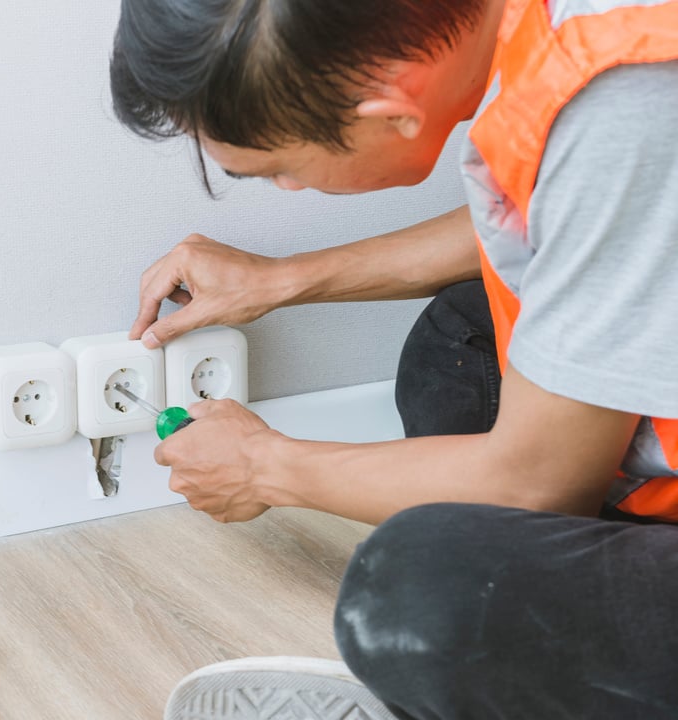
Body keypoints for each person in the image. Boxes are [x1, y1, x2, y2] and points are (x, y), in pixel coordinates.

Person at [110, 0, 678, 717]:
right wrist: (280, 279)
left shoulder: (627, 91)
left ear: (391, 113)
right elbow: (568, 215)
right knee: (458, 343)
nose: (287, 189)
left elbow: (538, 485)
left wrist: (264, 466)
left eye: (279, 169)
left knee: (421, 588)